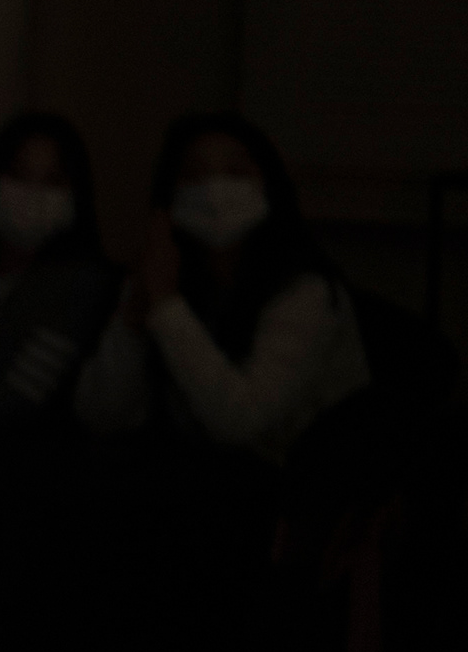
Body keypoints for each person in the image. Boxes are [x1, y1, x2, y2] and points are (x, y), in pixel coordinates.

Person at [74, 109, 369, 463]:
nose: (214, 190)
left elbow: (243, 424)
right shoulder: (164, 273)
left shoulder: (306, 292)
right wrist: (134, 314)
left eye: (236, 173)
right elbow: (101, 415)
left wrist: (166, 306)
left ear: (269, 186)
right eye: (193, 175)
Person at [0, 109, 122, 430]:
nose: (32, 194)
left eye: (52, 181)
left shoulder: (81, 283)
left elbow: (22, 395)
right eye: (19, 174)